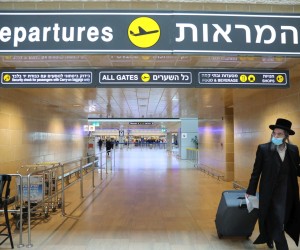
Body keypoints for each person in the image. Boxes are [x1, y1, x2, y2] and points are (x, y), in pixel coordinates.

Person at [246, 118, 300, 250]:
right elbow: (256, 172)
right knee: (275, 222)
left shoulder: (293, 150)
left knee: (281, 220)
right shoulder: (264, 149)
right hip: (269, 194)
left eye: (279, 134)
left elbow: (297, 171)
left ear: (286, 136)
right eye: (274, 133)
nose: (275, 136)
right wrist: (250, 191)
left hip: (287, 194)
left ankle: (269, 237)